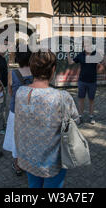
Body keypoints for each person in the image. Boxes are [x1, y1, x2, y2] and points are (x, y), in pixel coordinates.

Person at [15, 50, 80, 188]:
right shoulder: (62, 97)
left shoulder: (20, 92)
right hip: (52, 160)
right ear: (53, 69)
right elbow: (75, 120)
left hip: (28, 156)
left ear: (32, 69)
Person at [3, 50, 33, 176]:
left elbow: (10, 92)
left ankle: (17, 165)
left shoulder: (12, 73)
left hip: (16, 110)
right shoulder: (35, 73)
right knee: (30, 137)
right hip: (31, 111)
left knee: (16, 138)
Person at [67, 41, 103, 125]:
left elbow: (102, 63)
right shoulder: (80, 55)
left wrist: (104, 61)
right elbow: (70, 62)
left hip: (92, 82)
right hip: (82, 81)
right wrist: (68, 53)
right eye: (85, 45)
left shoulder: (96, 54)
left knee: (91, 100)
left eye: (89, 45)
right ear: (83, 46)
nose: (87, 46)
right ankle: (80, 116)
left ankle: (91, 117)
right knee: (81, 100)